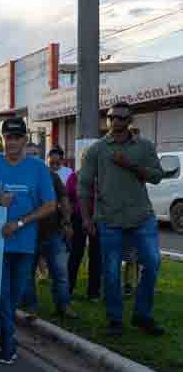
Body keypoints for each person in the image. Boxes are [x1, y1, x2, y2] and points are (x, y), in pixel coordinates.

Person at [0, 117, 56, 365]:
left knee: (14, 296)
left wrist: (19, 223)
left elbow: (50, 204)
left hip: (25, 243)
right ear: (2, 139)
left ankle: (2, 334)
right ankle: (7, 344)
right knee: (2, 294)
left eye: (18, 137)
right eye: (9, 137)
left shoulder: (37, 168)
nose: (13, 142)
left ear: (25, 140)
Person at [79, 102, 165, 337]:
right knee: (112, 271)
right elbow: (84, 187)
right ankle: (115, 319)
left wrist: (130, 165)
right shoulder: (97, 149)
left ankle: (142, 315)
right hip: (109, 219)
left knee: (153, 263)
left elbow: (157, 176)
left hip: (141, 217)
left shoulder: (144, 146)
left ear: (130, 121)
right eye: (111, 117)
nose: (115, 122)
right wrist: (86, 219)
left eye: (121, 118)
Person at [21, 163, 77, 320]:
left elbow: (64, 198)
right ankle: (30, 307)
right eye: (29, 155)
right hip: (27, 233)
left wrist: (67, 222)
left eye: (34, 154)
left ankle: (63, 305)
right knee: (27, 274)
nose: (31, 158)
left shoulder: (51, 175)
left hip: (53, 232)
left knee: (60, 272)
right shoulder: (17, 176)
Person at [66, 170, 100, 303]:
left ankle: (93, 293)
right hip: (78, 218)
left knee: (96, 256)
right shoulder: (74, 177)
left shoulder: (101, 176)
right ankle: (68, 288)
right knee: (75, 254)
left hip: (97, 218)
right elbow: (67, 197)